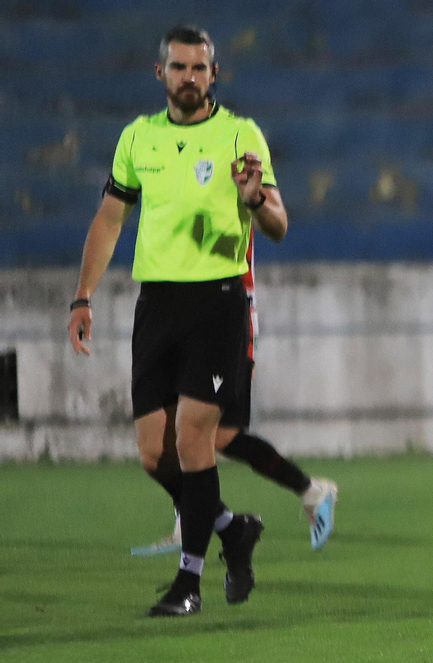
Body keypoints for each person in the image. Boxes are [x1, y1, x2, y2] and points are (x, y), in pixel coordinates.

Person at [69, 25, 280, 617]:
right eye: (179, 67)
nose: (190, 77)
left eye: (200, 67)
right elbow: (110, 219)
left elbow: (279, 224)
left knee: (193, 439)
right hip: (156, 305)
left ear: (216, 74)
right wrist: (82, 295)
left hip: (216, 301)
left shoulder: (240, 135)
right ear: (158, 73)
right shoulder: (138, 139)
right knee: (152, 454)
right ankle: (230, 529)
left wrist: (256, 198)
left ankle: (188, 584)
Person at [131, 252, 339, 556]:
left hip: (224, 327)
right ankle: (194, 521)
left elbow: (244, 277)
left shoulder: (234, 212)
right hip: (186, 323)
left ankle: (311, 491)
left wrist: (247, 343)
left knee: (220, 437)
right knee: (177, 438)